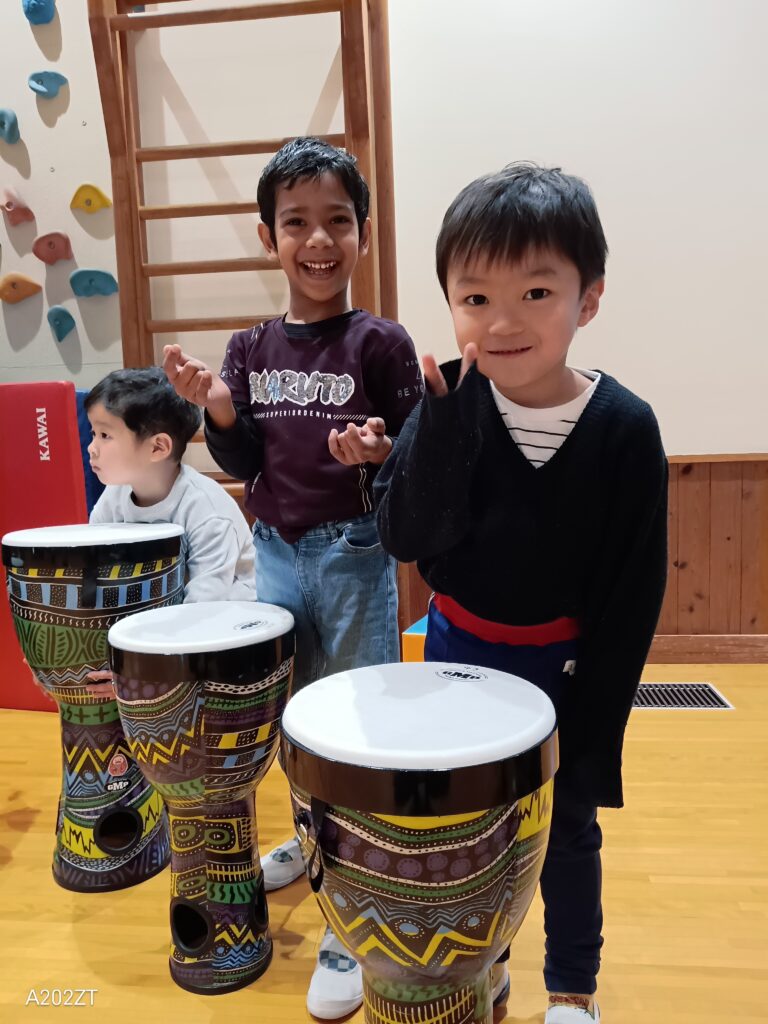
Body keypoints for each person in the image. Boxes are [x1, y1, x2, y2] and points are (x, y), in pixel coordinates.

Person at [374, 163, 668, 1023]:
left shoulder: (625, 429)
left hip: (566, 667)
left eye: (536, 292)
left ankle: (572, 987)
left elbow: (632, 599)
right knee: (468, 830)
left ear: (589, 299)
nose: (502, 322)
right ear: (451, 305)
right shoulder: (449, 400)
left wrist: (596, 737)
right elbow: (405, 537)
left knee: (567, 828)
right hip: (457, 656)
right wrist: (437, 429)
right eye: (475, 298)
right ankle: (481, 964)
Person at [163, 136, 423, 1020]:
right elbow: (243, 459)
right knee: (287, 719)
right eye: (297, 223)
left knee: (354, 729)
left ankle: (354, 920)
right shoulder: (249, 346)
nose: (318, 239)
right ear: (268, 236)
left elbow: (415, 458)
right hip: (274, 550)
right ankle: (311, 841)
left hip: (351, 555)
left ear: (363, 233)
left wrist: (382, 453)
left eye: (338, 221)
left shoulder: (381, 342)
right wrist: (219, 408)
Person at [86, 366, 256, 605]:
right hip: (159, 613)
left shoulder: (207, 511)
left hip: (226, 616)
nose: (91, 448)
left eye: (105, 435)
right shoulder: (114, 495)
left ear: (158, 447)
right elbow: (93, 566)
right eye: (93, 433)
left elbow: (205, 604)